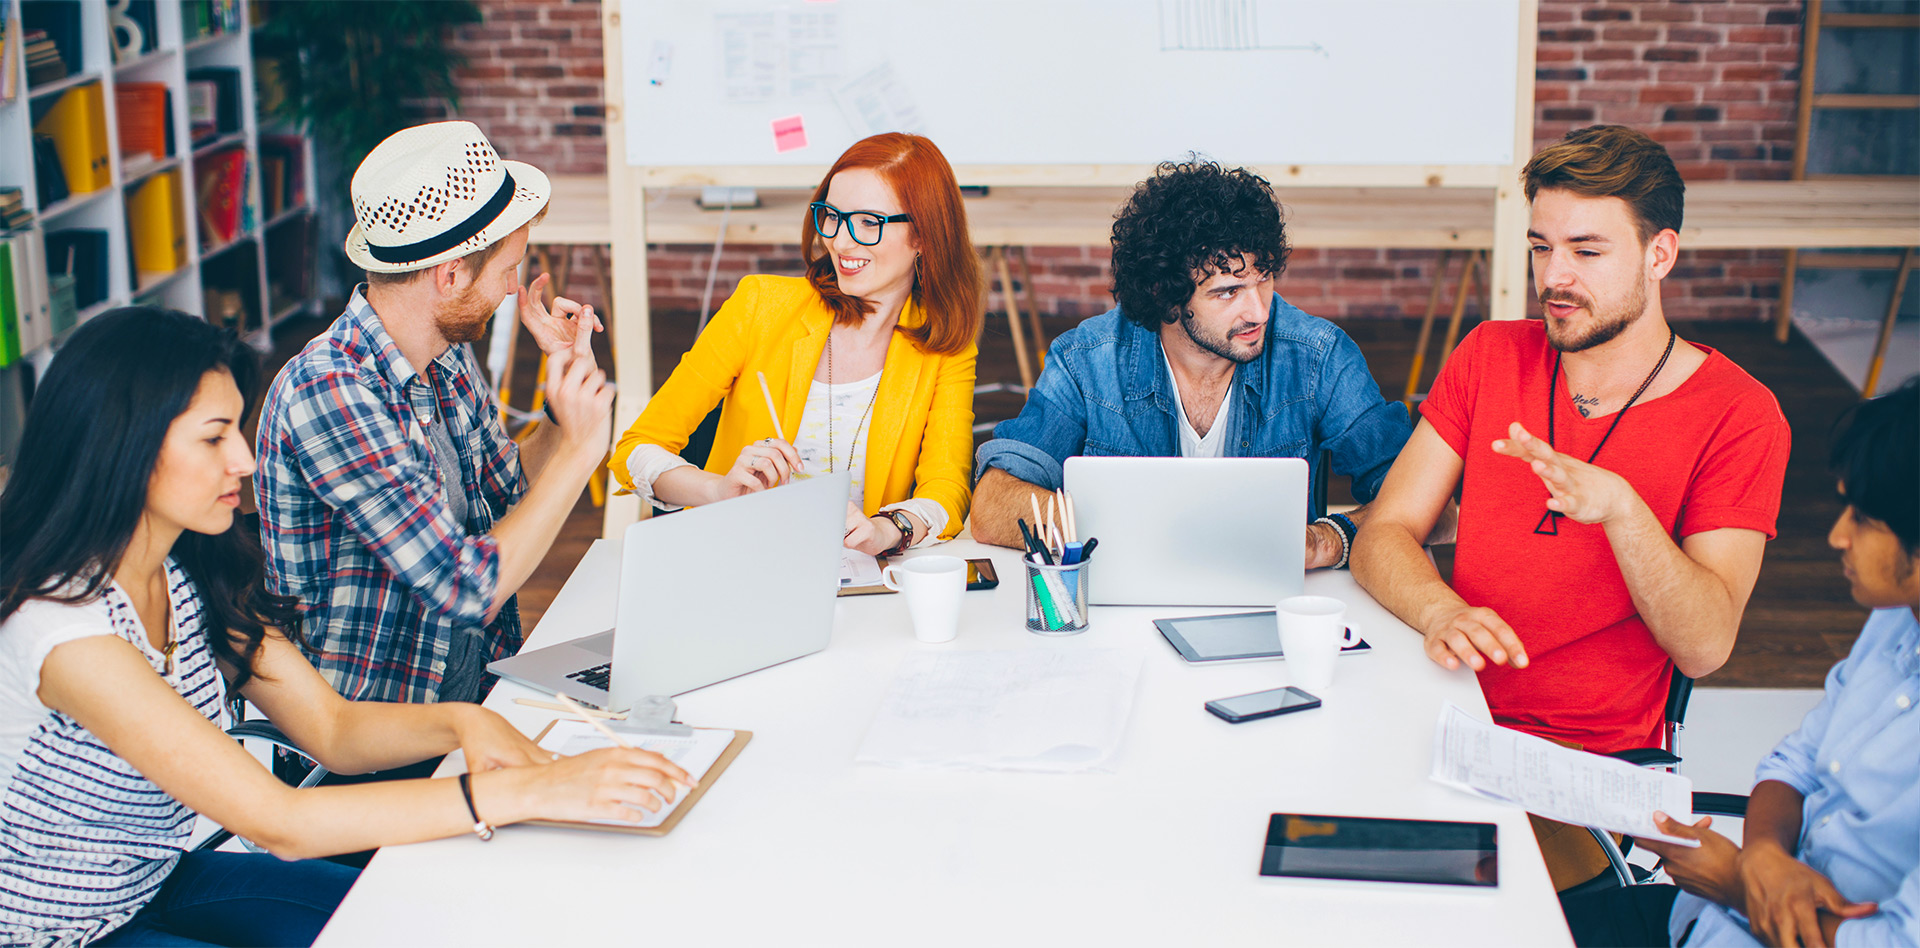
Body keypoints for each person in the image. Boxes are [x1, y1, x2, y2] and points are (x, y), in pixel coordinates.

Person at [0, 308, 690, 947]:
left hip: (154, 878)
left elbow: (330, 727)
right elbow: (283, 825)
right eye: (214, 438)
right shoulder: (67, 631)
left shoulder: (185, 566)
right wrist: (532, 790)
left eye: (237, 430)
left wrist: (462, 723)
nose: (242, 459)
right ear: (125, 448)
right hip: (62, 931)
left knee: (424, 921)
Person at [1350, 125, 1792, 889]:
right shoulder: (1492, 353)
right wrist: (1438, 611)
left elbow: (1706, 644)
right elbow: (1386, 531)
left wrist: (1623, 510)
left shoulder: (1740, 414)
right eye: (1541, 247)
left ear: (1660, 255)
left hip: (1580, 770)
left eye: (1587, 251)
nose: (1556, 276)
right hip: (1433, 713)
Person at [257, 121, 613, 709]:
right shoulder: (329, 391)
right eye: (507, 269)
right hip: (379, 739)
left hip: (473, 688)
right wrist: (582, 452)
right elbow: (468, 587)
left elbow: (509, 490)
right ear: (449, 275)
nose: (510, 291)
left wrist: (559, 406)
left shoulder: (445, 353)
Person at [1558, 381, 1919, 948]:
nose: (1837, 536)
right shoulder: (1900, 619)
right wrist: (1767, 859)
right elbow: (1795, 763)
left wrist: (1732, 882)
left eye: (1866, 519)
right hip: (1701, 918)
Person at [969, 158, 1413, 567]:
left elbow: (1427, 507)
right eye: (1227, 292)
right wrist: (1146, 527)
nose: (1259, 311)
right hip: (1123, 615)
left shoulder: (1319, 356)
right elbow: (992, 507)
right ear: (1166, 295)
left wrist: (1325, 540)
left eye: (1264, 279)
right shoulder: (1087, 359)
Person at [609, 132, 982, 556]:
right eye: (833, 216)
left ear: (923, 236)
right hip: (734, 560)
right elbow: (636, 449)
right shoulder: (759, 306)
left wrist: (887, 529)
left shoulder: (945, 348)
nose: (841, 241)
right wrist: (719, 489)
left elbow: (946, 491)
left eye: (868, 223)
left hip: (856, 582)